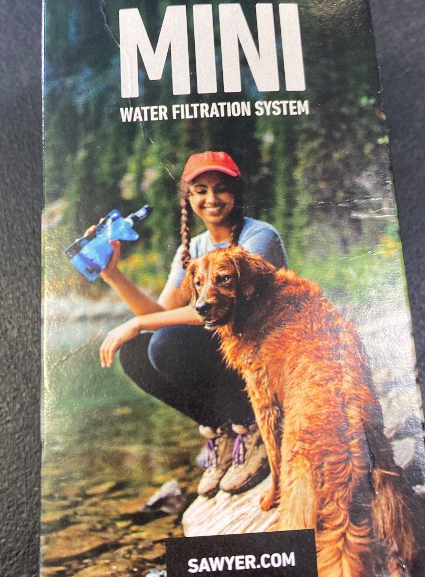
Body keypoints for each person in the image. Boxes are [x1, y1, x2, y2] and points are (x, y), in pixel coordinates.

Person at [95, 151, 288, 498]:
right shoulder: (194, 247)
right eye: (200, 190)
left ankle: (256, 427)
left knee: (166, 343)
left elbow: (224, 307)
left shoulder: (259, 236)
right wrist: (112, 275)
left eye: (221, 188)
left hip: (265, 356)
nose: (211, 199)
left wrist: (137, 323)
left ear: (236, 192)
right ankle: (224, 430)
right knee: (136, 352)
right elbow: (161, 313)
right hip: (232, 355)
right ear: (188, 197)